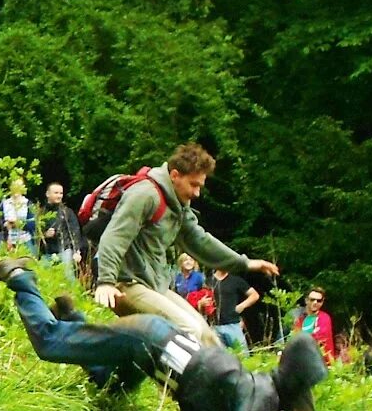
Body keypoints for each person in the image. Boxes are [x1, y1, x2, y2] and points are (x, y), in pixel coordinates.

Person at [0, 257, 324, 411]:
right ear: (289, 408)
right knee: (51, 343)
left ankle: (73, 319)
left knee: (112, 389)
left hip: (154, 347)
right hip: (147, 341)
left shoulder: (257, 389)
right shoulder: (260, 399)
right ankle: (22, 278)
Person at [93, 143, 279, 349]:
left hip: (154, 285)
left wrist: (245, 264)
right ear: (174, 175)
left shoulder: (178, 205)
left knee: (208, 338)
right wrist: (106, 282)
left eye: (200, 185)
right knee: (188, 332)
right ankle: (180, 381)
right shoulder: (145, 194)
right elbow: (114, 236)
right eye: (193, 185)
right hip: (125, 285)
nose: (197, 193)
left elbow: (200, 241)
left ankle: (222, 381)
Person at [38, 182, 83, 274]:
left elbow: (75, 232)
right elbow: (34, 234)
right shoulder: (40, 213)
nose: (59, 196)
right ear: (47, 194)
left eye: (61, 193)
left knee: (68, 276)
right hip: (46, 253)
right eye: (56, 193)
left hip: (65, 250)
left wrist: (77, 251)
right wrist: (45, 235)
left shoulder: (67, 212)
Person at [210, 266, 258, 354]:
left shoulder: (235, 280)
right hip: (213, 326)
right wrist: (201, 303)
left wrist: (241, 306)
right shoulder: (208, 281)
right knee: (220, 359)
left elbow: (254, 295)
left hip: (233, 324)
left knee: (242, 356)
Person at [288, 286, 335, 362]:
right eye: (312, 300)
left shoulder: (324, 318)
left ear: (322, 302)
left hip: (320, 361)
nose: (315, 302)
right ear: (306, 300)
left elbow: (319, 338)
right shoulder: (296, 316)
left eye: (319, 300)